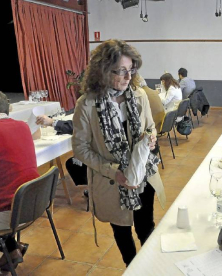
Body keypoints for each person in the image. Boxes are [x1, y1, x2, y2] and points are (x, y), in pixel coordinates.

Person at [72, 39, 166, 266]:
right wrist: (115, 172)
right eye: (121, 71)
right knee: (122, 231)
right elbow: (80, 149)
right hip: (112, 181)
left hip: (143, 175)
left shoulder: (139, 95)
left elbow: (150, 126)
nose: (128, 76)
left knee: (146, 227)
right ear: (103, 71)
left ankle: (150, 268)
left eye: (131, 70)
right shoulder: (87, 104)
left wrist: (151, 139)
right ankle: (132, 267)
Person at [0, 90, 38, 273]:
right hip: (30, 206)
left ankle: (11, 249)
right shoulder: (23, 126)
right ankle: (12, 250)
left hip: (6, 214)